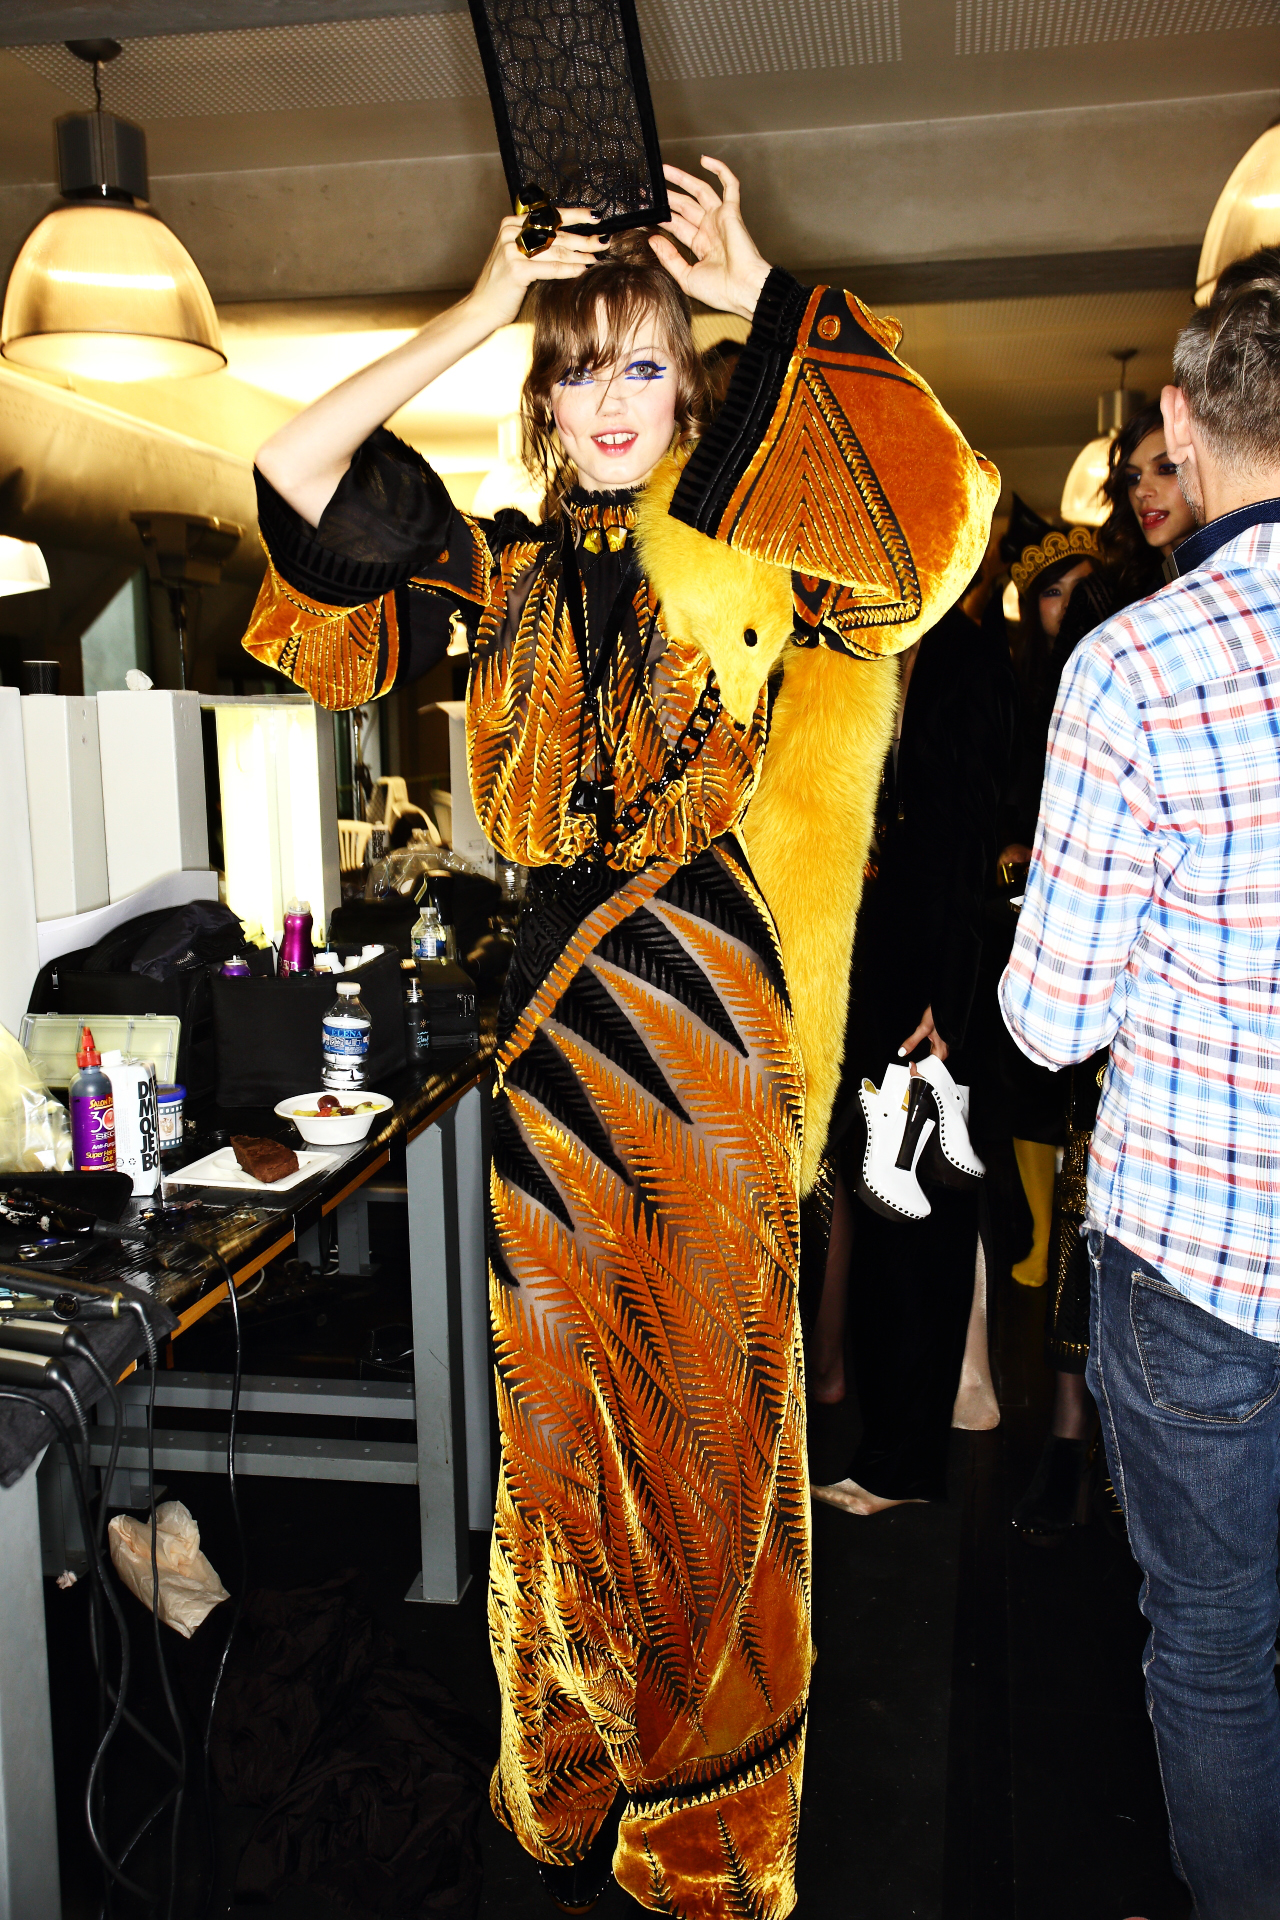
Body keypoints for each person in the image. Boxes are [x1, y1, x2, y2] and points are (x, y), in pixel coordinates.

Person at [243, 160, 996, 1917]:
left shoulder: (759, 549)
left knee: (715, 1435)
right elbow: (293, 480)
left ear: (686, 389)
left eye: (645, 364)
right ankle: (570, 1765)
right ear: (543, 392)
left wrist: (753, 294)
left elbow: (942, 523)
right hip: (551, 1050)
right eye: (579, 367)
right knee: (563, 1423)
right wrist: (478, 304)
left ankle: (713, 1820)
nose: (608, 399)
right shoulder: (490, 576)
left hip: (711, 1031)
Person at [1000, 247, 1280, 1918]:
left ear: (1174, 423)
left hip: (1202, 1261)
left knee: (1219, 1652)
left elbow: (1047, 1026)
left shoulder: (1132, 664)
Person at [1013, 406, 1198, 1535]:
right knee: (1095, 1217)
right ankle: (1071, 1444)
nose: (1144, 488)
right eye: (1132, 474)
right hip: (1112, 967)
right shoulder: (1111, 618)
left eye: (1163, 465)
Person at [805, 568, 1017, 1514]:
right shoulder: (856, 653)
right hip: (864, 965)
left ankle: (903, 1462)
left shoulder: (972, 660)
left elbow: (974, 842)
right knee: (876, 1205)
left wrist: (947, 994)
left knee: (917, 1222)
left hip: (936, 980)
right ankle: (891, 1445)